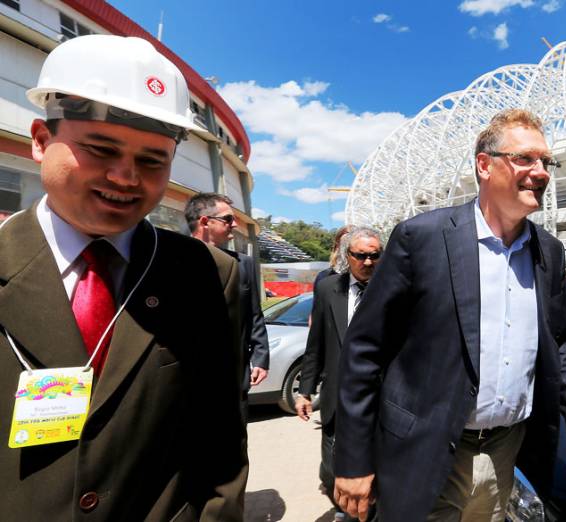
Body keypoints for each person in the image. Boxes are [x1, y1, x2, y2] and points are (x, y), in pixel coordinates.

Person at [0, 35, 247, 520]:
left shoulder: (206, 275)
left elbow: (220, 435)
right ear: (41, 140)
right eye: (100, 148)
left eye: (152, 161)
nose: (125, 177)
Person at [334, 109, 566, 522]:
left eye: (546, 161)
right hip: (425, 452)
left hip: (505, 453)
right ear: (484, 164)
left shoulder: (548, 251)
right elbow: (364, 352)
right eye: (526, 159)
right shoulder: (420, 238)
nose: (541, 171)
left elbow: (559, 341)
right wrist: (353, 460)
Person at [296, 227, 382, 516]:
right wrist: (304, 391)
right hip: (336, 401)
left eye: (374, 256)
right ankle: (343, 511)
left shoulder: (395, 290)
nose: (368, 262)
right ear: (348, 256)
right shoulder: (327, 288)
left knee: (375, 475)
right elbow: (315, 344)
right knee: (335, 471)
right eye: (361, 256)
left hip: (378, 402)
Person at [185, 192, 270, 416]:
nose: (234, 225)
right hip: (184, 377)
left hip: (233, 377)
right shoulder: (173, 260)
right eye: (228, 219)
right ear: (205, 222)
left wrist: (260, 357)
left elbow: (254, 314)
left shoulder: (244, 264)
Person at [314, 225, 354, 289]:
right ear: (337, 246)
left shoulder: (369, 279)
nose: (346, 249)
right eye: (343, 244)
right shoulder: (323, 277)